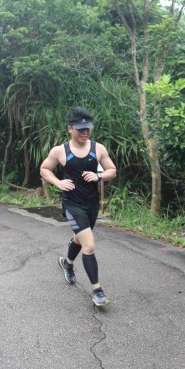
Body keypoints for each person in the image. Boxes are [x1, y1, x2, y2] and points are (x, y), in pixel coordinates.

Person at [40, 107, 117, 306]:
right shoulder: (60, 151)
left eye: (88, 128)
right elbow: (45, 169)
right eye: (80, 129)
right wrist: (58, 182)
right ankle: (97, 291)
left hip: (91, 203)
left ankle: (67, 263)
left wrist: (99, 176)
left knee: (79, 238)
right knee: (88, 245)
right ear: (70, 129)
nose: (85, 132)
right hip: (72, 204)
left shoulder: (98, 148)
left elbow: (112, 170)